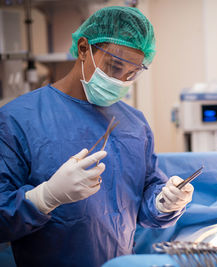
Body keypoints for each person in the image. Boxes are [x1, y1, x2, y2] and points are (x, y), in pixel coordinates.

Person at [0, 6, 194, 267]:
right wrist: (45, 197)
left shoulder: (135, 124)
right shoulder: (17, 119)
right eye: (114, 67)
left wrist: (164, 202)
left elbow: (146, 198)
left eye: (132, 74)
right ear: (83, 49)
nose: (121, 80)